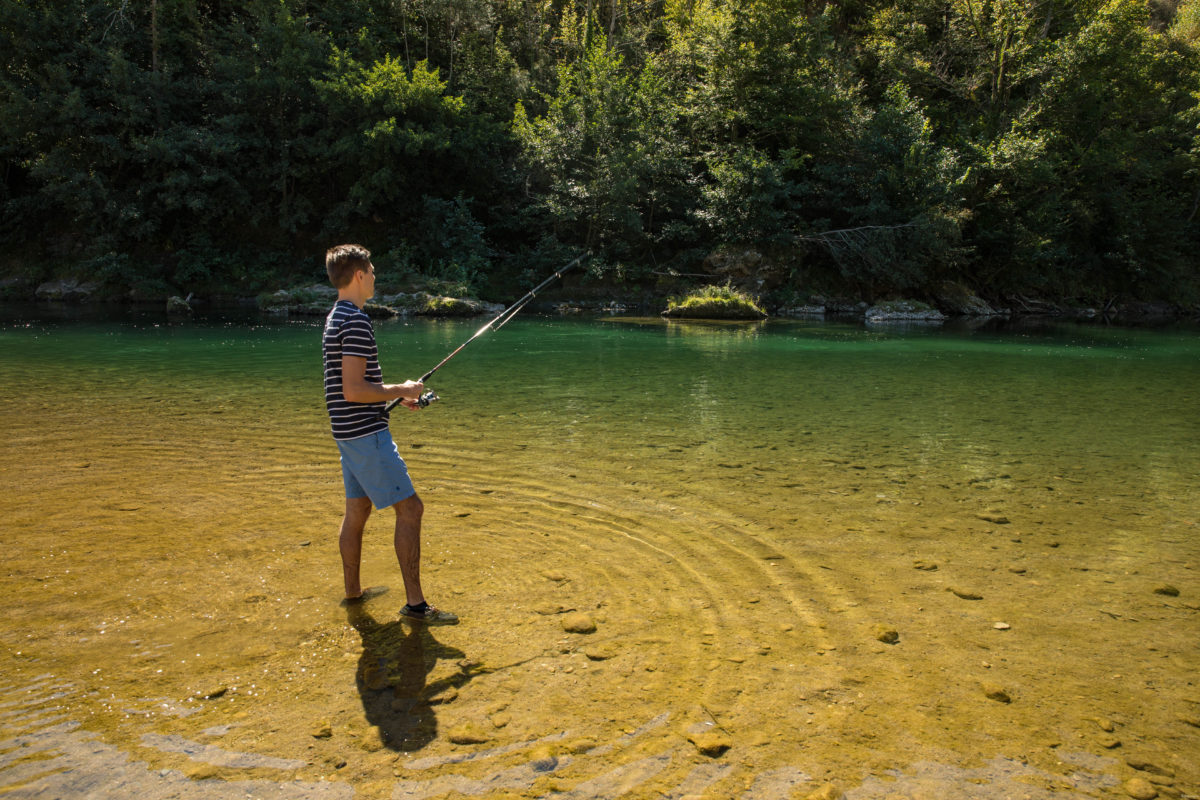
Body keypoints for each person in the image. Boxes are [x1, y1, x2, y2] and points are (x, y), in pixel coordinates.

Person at [322, 243, 457, 624]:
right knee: (411, 509)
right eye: (373, 270)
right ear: (360, 275)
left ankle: (353, 594)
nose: (376, 277)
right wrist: (402, 389)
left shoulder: (336, 316)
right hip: (365, 435)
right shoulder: (357, 321)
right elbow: (353, 389)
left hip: (348, 432)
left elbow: (348, 391)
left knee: (358, 510)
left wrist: (394, 399)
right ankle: (416, 606)